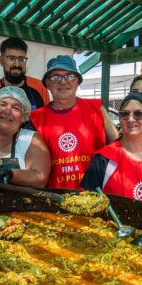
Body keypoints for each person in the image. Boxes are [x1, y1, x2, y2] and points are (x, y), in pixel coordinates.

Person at [30, 55, 118, 189]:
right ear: (47, 83)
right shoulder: (36, 118)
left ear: (78, 81)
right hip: (53, 198)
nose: (63, 82)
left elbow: (117, 145)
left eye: (69, 76)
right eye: (55, 77)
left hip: (95, 195)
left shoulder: (96, 109)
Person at [0, 37, 51, 112]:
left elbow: (47, 119)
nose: (17, 64)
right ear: (1, 61)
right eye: (11, 59)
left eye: (21, 59)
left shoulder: (40, 87)